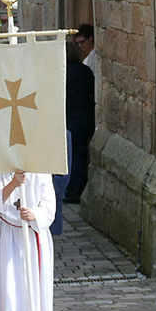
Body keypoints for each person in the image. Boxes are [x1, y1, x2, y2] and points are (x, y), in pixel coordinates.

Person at [0, 170, 59, 311]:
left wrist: (34, 214)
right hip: (9, 231)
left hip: (33, 231)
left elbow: (49, 203)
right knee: (10, 283)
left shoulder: (40, 169)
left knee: (38, 283)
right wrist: (12, 184)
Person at [64, 39, 96, 203]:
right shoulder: (85, 71)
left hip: (69, 118)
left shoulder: (60, 72)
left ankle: (72, 189)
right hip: (86, 118)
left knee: (71, 155)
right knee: (80, 154)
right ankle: (79, 186)